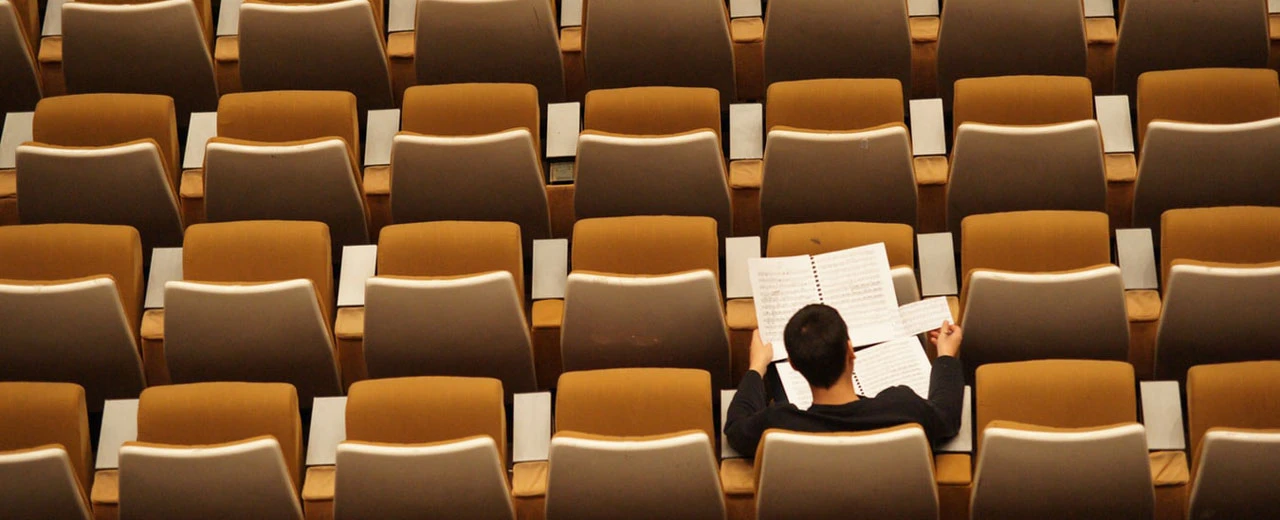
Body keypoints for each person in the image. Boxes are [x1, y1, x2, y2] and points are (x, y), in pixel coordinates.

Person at [725, 303, 964, 455]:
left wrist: (756, 366)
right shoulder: (904, 408)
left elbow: (735, 428)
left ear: (794, 365)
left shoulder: (779, 426)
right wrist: (945, 355)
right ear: (850, 351)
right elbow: (947, 417)